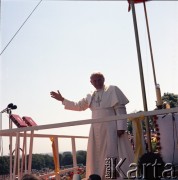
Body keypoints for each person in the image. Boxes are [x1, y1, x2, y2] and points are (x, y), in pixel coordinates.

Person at [50, 72, 134, 179]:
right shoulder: (90, 95)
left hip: (110, 127)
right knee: (96, 155)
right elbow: (79, 106)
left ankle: (112, 176)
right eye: (94, 81)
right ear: (91, 82)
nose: (97, 82)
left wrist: (121, 127)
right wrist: (62, 99)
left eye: (99, 79)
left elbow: (120, 108)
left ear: (104, 79)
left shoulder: (112, 89)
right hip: (95, 129)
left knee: (111, 152)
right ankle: (98, 177)